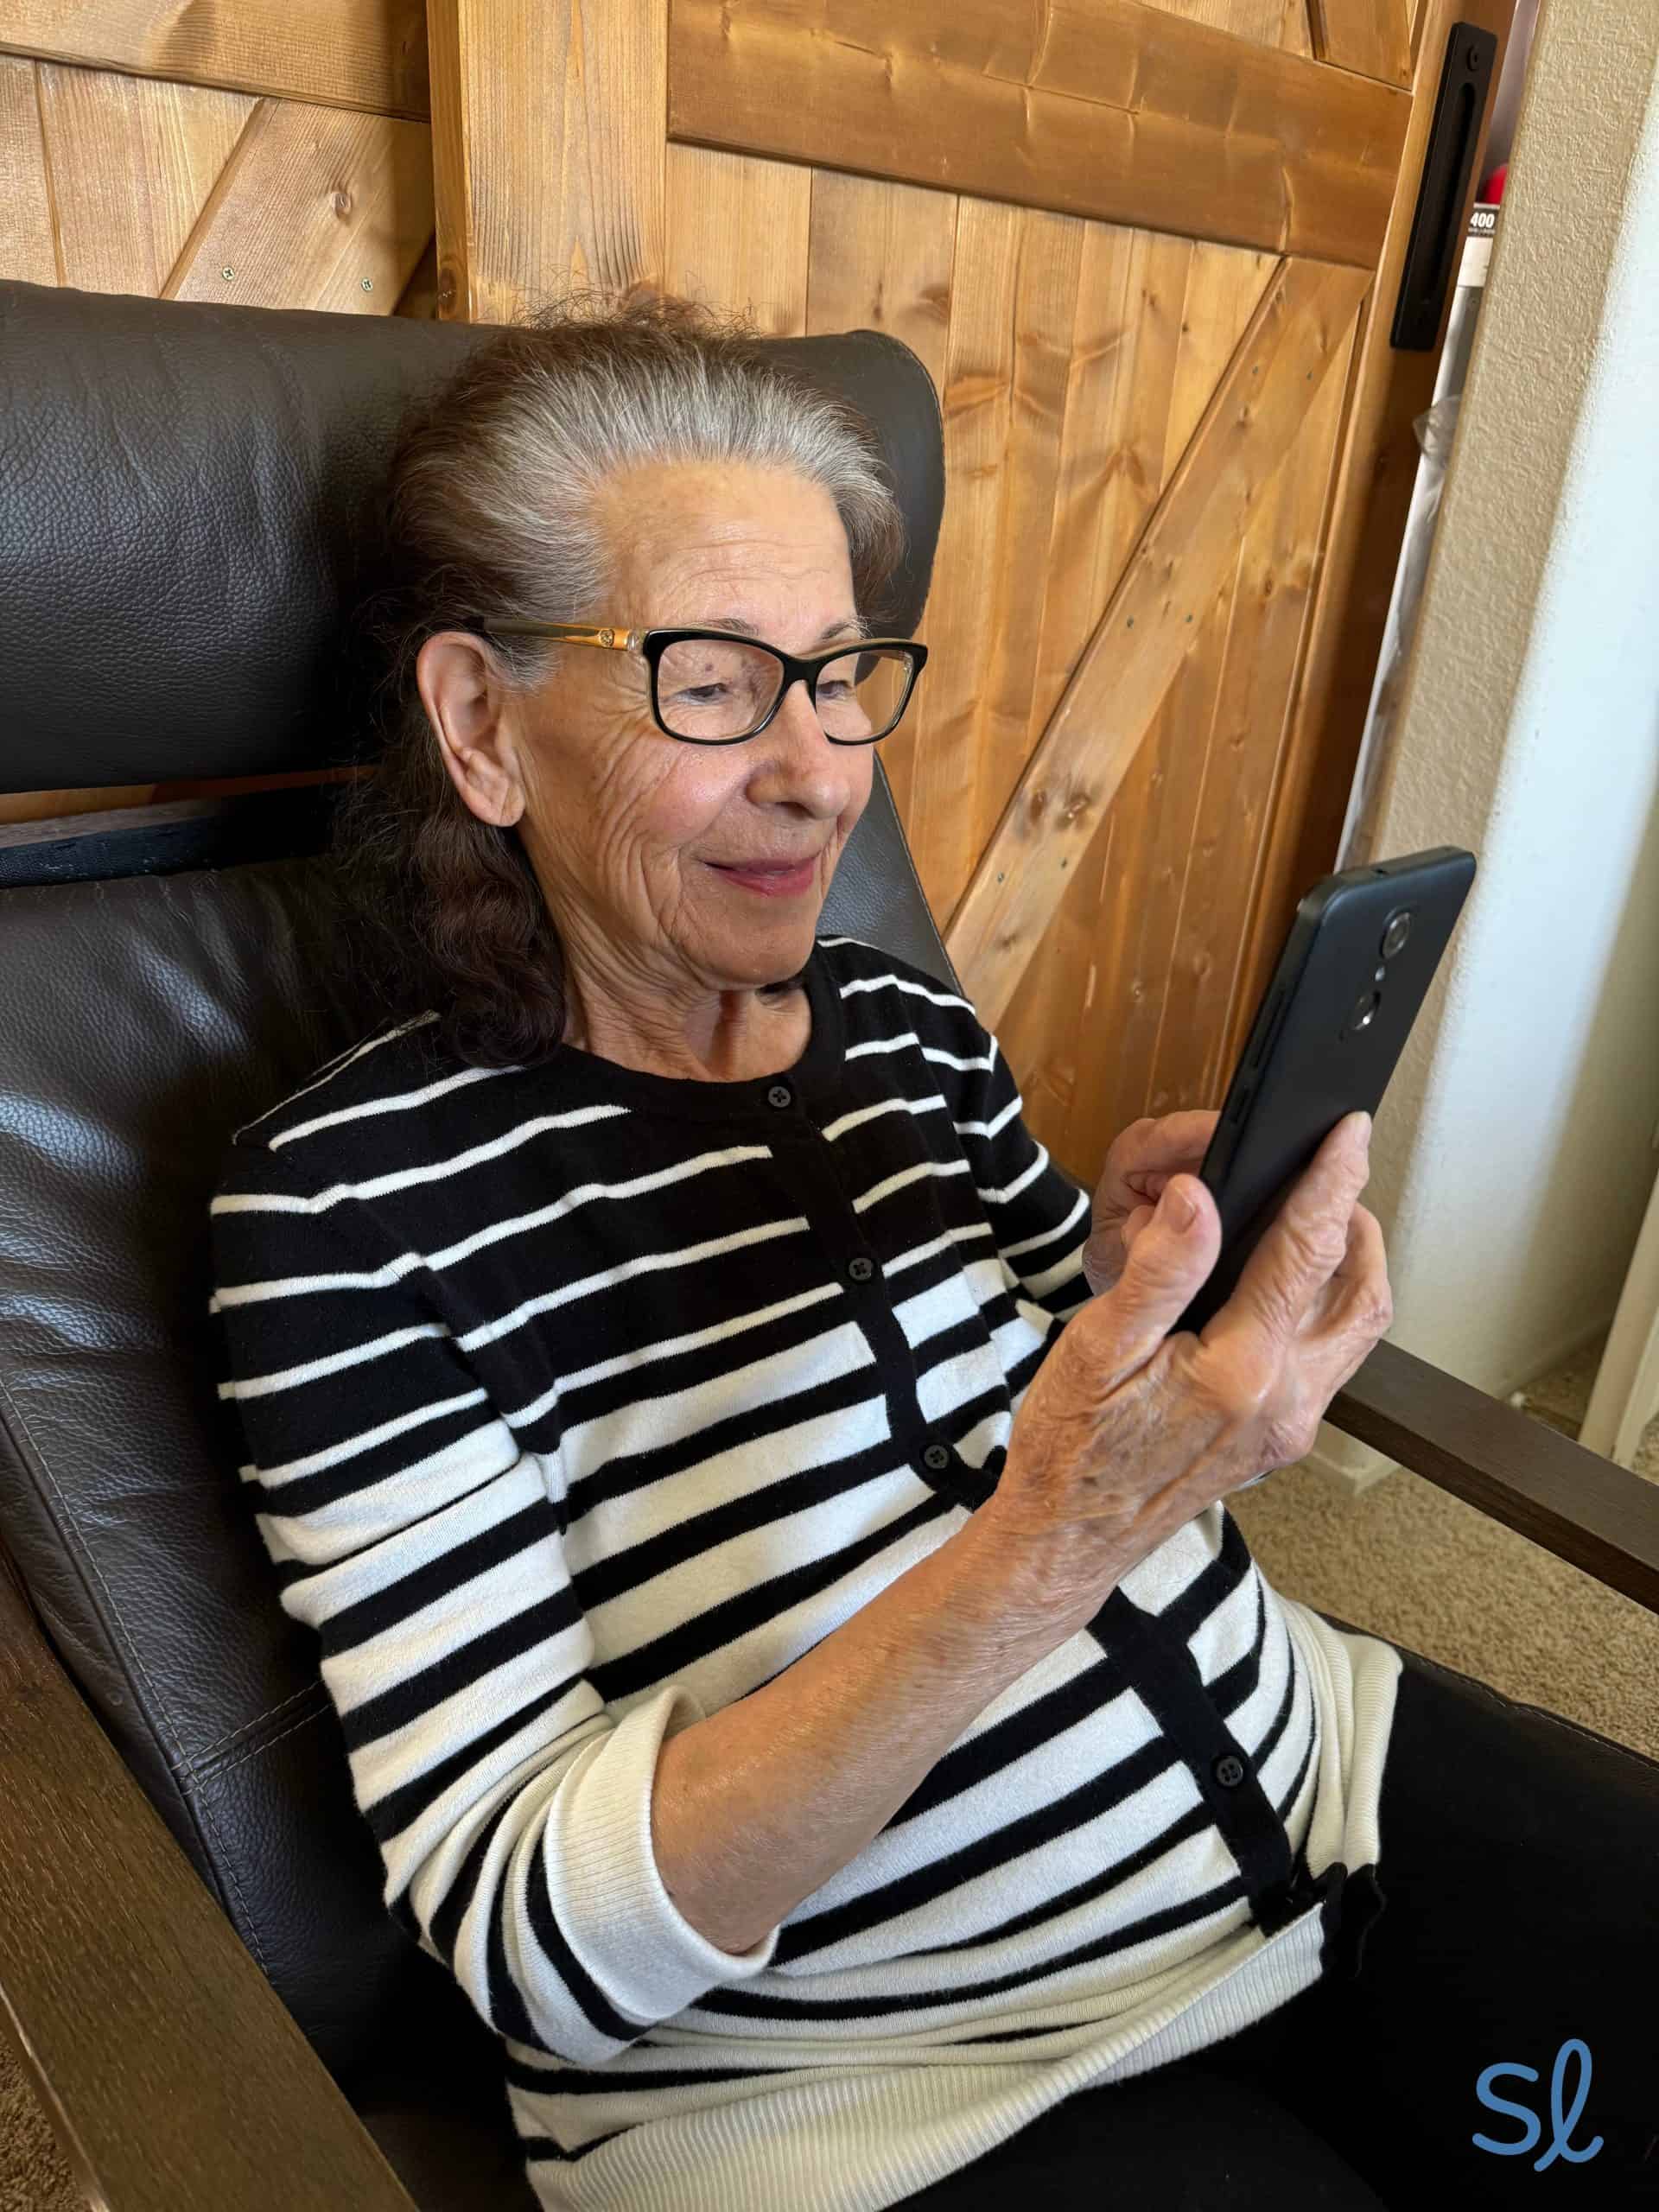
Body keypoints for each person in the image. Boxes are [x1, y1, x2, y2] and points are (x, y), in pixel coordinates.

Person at [207, 296, 1659, 2212]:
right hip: (904, 2084)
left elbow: (1063, 1401)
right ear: (483, 724)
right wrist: (1051, 1540)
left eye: (841, 675)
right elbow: (534, 1952)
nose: (824, 772)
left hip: (1326, 1780)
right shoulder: (347, 1210)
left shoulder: (898, 1025)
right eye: (715, 682)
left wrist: (1154, 1288)